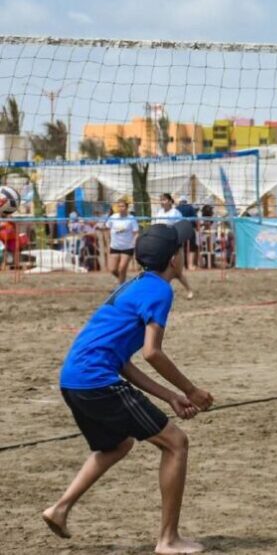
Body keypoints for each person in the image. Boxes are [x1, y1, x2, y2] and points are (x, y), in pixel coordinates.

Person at [42, 221, 214, 554]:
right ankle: (168, 540)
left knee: (118, 445)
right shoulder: (161, 290)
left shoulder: (133, 286)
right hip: (96, 381)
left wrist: (173, 397)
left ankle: (59, 509)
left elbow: (124, 362)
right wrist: (191, 390)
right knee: (176, 443)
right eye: (179, 249)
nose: (182, 253)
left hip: (74, 378)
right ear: (174, 261)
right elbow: (152, 352)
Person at [153, 194, 193, 299]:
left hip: (174, 245)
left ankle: (189, 290)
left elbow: (180, 229)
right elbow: (155, 227)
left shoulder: (176, 213)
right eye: (161, 200)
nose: (162, 202)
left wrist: (177, 244)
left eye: (164, 200)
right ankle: (164, 293)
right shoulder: (159, 213)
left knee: (177, 273)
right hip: (161, 245)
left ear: (170, 201)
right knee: (160, 271)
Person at [105, 198, 139, 284]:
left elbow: (136, 233)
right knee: (112, 269)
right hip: (115, 246)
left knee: (122, 268)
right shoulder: (113, 217)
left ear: (126, 207)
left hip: (127, 247)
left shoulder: (131, 219)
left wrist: (135, 242)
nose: (121, 208)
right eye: (119, 206)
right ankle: (125, 282)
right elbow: (107, 229)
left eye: (123, 206)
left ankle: (120, 287)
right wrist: (108, 241)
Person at [175, 198, 199, 270]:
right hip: (190, 228)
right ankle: (190, 265)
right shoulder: (190, 207)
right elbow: (195, 219)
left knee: (180, 248)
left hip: (179, 229)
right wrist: (197, 227)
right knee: (191, 247)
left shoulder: (176, 209)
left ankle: (181, 265)